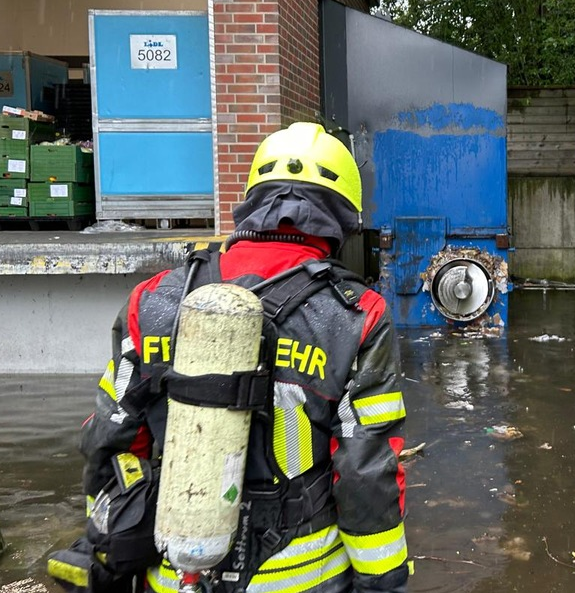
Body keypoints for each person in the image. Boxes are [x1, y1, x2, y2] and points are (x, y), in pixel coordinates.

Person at [49, 122, 408, 593]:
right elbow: (365, 472)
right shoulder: (358, 315)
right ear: (340, 220)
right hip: (302, 579)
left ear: (253, 204)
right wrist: (383, 584)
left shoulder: (152, 300)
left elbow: (107, 441)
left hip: (174, 574)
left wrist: (112, 551)